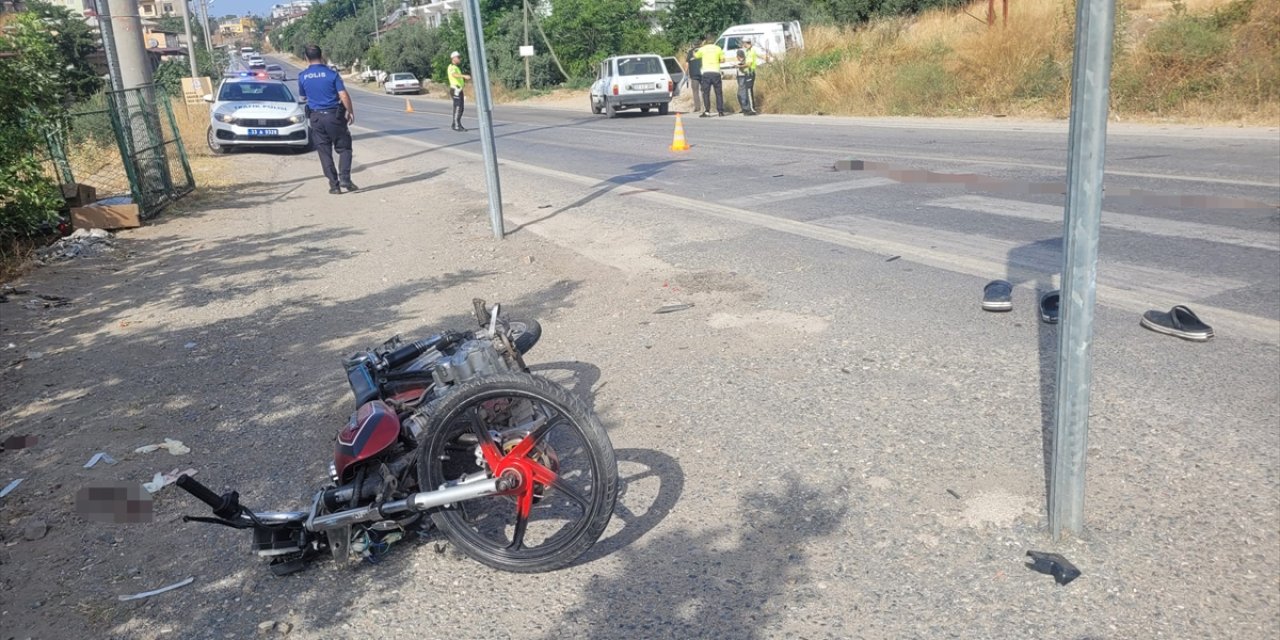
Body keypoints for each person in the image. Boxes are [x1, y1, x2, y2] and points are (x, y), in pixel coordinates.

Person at [297, 44, 357, 194]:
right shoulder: (332, 74)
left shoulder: (303, 76)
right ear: (321, 55)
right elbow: (343, 95)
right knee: (344, 148)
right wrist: (349, 111)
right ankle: (345, 178)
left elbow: (303, 96)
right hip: (334, 116)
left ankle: (334, 186)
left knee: (324, 152)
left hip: (316, 118)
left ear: (306, 58)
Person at [694, 37, 724, 117]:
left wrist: (696, 50)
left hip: (706, 73)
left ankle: (707, 111)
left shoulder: (703, 49)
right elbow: (723, 60)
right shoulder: (718, 48)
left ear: (706, 41)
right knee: (718, 93)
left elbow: (696, 56)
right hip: (716, 72)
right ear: (714, 41)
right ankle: (720, 111)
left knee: (706, 93)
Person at [447, 51, 472, 132]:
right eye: (458, 57)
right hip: (455, 89)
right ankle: (456, 125)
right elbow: (454, 75)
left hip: (458, 89)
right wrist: (464, 76)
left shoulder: (456, 67)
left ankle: (455, 124)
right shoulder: (452, 67)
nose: (459, 59)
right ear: (453, 58)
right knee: (458, 107)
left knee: (460, 107)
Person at [737, 37, 760, 116]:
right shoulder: (748, 51)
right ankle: (751, 108)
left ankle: (752, 109)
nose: (743, 45)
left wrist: (740, 66)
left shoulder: (751, 51)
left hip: (750, 72)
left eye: (744, 43)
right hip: (748, 72)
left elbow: (749, 64)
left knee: (749, 91)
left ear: (747, 43)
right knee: (748, 91)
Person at [684, 43, 702, 114]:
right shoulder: (703, 50)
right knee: (704, 91)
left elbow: (687, 64)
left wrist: (686, 73)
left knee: (695, 91)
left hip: (693, 74)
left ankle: (697, 108)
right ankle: (706, 107)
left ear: (693, 45)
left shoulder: (690, 52)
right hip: (703, 73)